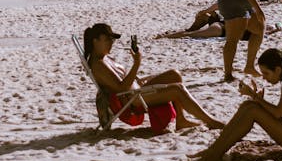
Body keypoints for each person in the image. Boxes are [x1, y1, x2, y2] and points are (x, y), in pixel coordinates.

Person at [82, 23, 225, 130]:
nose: (111, 43)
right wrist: (136, 63)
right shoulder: (99, 65)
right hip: (134, 99)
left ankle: (181, 120)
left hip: (137, 90)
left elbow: (125, 80)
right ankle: (211, 121)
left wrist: (140, 78)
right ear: (95, 41)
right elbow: (121, 88)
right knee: (177, 89)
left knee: (174, 74)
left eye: (112, 40)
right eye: (107, 39)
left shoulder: (105, 58)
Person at [191, 47, 282, 161]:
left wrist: (255, 97)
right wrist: (258, 100)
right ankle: (214, 150)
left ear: (277, 70)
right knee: (249, 106)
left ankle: (215, 153)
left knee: (252, 109)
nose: (264, 78)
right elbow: (280, 114)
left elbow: (277, 113)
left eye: (266, 73)